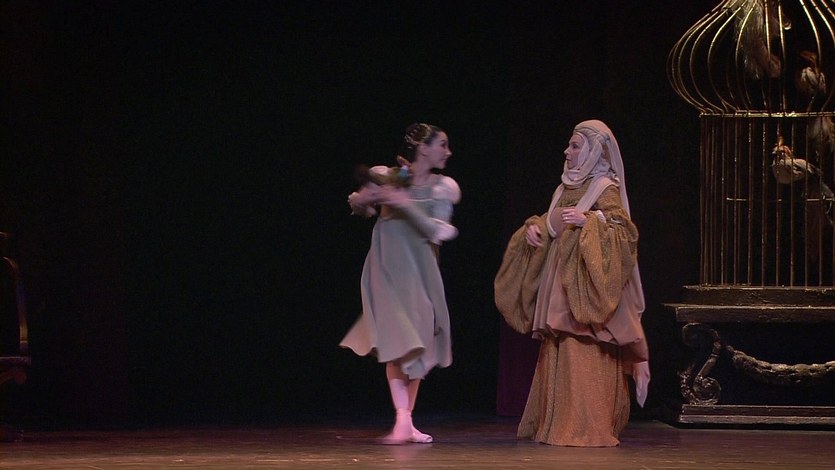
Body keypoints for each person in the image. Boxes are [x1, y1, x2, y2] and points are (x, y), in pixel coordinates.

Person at [500, 119, 649, 447]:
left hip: (585, 284)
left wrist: (590, 220)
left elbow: (624, 232)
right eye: (570, 145)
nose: (567, 152)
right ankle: (555, 424)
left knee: (583, 343)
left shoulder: (604, 187)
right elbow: (553, 221)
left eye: (575, 146)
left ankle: (584, 425)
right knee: (559, 343)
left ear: (595, 151)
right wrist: (536, 228)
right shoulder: (565, 188)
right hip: (559, 281)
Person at [340, 122, 460, 445]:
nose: (448, 152)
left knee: (418, 342)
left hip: (421, 271)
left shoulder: (442, 188)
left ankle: (406, 420)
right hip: (387, 269)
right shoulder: (388, 175)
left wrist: (403, 202)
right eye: (442, 145)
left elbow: (437, 231)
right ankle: (402, 419)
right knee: (396, 338)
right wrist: (367, 198)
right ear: (423, 148)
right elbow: (359, 206)